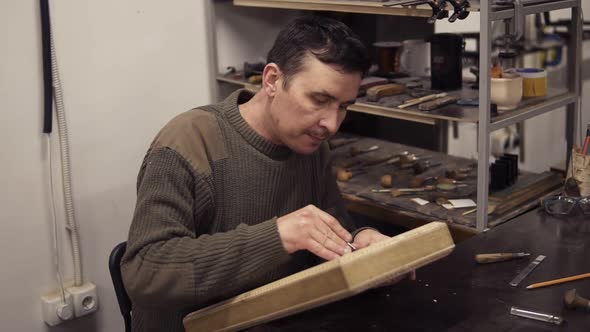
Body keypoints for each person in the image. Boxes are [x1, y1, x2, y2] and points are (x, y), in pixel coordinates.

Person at [121, 16, 407, 332]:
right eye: (320, 99)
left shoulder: (310, 144)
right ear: (271, 80)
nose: (332, 124)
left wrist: (359, 242)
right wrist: (278, 237)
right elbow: (145, 271)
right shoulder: (190, 141)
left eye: (343, 106)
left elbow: (330, 236)